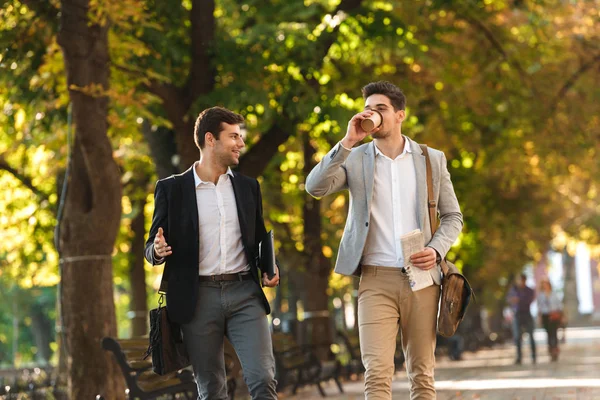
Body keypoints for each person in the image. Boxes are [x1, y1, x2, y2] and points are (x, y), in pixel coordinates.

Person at [306, 81, 463, 400]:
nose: (371, 115)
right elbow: (315, 187)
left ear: (400, 115)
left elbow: (453, 216)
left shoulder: (431, 159)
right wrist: (348, 141)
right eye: (368, 108)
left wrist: (436, 250)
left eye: (380, 109)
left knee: (422, 373)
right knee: (376, 373)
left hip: (422, 280)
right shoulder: (354, 158)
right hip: (375, 280)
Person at [144, 106, 280, 400]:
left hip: (244, 292)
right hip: (197, 299)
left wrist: (270, 267)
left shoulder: (247, 188)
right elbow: (151, 245)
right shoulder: (172, 189)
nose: (240, 144)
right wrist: (156, 250)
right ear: (210, 139)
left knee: (263, 377)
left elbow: (257, 238)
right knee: (212, 387)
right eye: (233, 137)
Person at [507, 274, 537, 365]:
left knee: (531, 336)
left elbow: (529, 300)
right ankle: (519, 357)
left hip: (526, 313)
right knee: (517, 337)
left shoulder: (529, 290)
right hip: (517, 314)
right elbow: (508, 299)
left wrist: (518, 300)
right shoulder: (513, 289)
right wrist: (513, 300)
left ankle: (534, 356)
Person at [537, 278, 563, 361]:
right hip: (545, 315)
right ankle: (550, 349)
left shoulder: (554, 294)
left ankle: (555, 349)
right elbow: (539, 307)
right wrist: (540, 317)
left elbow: (559, 305)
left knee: (554, 333)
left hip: (554, 315)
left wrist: (560, 315)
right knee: (548, 333)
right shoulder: (541, 295)